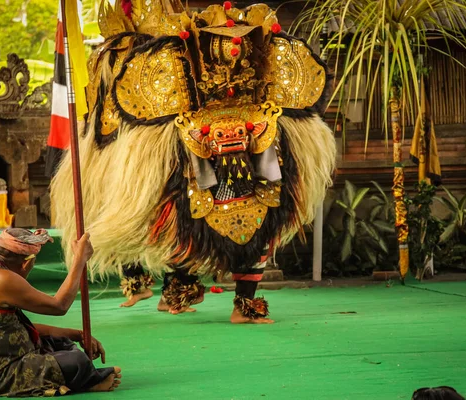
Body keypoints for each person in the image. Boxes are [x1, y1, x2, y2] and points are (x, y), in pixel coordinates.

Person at [51, 0, 336, 324]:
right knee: (176, 227)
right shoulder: (157, 113)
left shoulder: (267, 108)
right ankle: (174, 288)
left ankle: (240, 303)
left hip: (251, 168)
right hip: (192, 161)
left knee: (262, 228)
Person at [0, 228, 121, 397]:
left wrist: (78, 334)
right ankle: (87, 380)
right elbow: (60, 306)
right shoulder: (2, 279)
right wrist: (80, 260)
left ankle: (82, 377)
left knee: (60, 342)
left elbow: (20, 328)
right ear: (27, 262)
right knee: (77, 361)